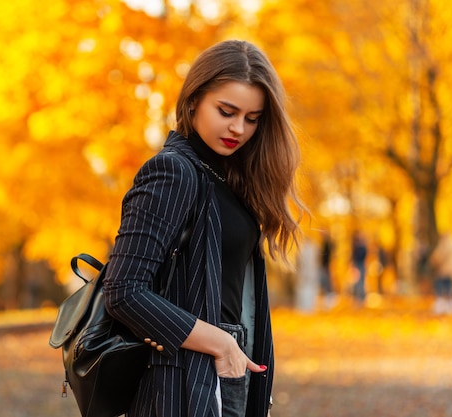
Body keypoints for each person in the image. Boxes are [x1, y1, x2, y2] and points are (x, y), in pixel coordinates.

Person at [103, 40, 305, 417]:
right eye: (226, 111)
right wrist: (220, 342)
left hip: (223, 370)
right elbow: (123, 291)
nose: (238, 128)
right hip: (182, 380)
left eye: (253, 118)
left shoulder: (228, 178)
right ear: (194, 99)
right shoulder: (173, 172)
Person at [429, 232, 452, 315]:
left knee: (440, 287)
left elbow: (439, 255)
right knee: (450, 287)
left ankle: (441, 305)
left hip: (445, 269)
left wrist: (433, 260)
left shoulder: (446, 242)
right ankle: (451, 305)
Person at [350, 230, 368, 304]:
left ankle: (361, 297)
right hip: (358, 265)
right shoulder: (355, 245)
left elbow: (363, 255)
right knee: (357, 282)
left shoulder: (362, 246)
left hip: (361, 265)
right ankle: (358, 297)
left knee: (361, 282)